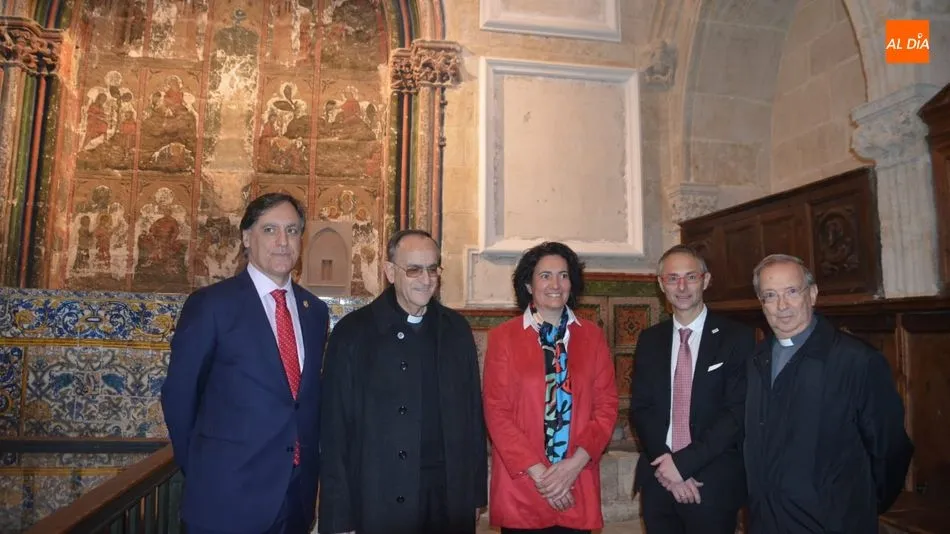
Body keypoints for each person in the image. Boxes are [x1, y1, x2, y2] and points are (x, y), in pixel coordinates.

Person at [161, 192, 330, 534]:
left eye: (292, 230)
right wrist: (205, 473)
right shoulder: (212, 305)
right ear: (247, 238)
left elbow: (301, 403)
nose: (283, 241)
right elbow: (179, 397)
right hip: (226, 500)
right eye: (270, 230)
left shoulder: (315, 311)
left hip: (295, 498)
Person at [318, 229, 487, 534]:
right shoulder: (353, 333)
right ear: (389, 272)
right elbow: (334, 432)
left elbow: (473, 417)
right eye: (414, 270)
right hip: (378, 496)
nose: (426, 279)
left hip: (447, 496)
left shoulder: (455, 330)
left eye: (432, 269)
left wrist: (474, 494)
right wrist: (338, 516)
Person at [744, 253, 914, 533]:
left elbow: (890, 449)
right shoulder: (756, 359)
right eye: (770, 296)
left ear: (812, 294)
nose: (782, 306)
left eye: (792, 292)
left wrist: (857, 505)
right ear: (761, 303)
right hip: (767, 521)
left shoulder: (857, 360)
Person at [483, 241, 619, 534]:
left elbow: (606, 407)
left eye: (563, 275)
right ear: (529, 285)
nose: (555, 284)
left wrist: (573, 466)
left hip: (576, 481)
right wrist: (543, 477)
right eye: (545, 276)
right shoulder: (503, 338)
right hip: (524, 483)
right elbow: (496, 412)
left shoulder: (593, 336)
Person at [629, 244, 755, 533]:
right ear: (661, 284)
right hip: (659, 477)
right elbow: (642, 408)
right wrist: (668, 467)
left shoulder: (737, 338)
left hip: (711, 480)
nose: (682, 287)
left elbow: (736, 413)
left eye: (691, 277)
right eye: (673, 278)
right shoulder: (650, 339)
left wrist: (683, 465)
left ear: (706, 280)